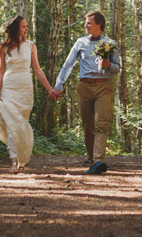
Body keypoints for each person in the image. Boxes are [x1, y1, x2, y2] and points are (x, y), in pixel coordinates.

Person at [52, 10, 121, 174]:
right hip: (84, 87)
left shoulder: (110, 43)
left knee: (101, 124)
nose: (85, 25)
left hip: (103, 86)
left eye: (89, 23)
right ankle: (92, 160)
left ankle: (99, 160)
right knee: (88, 127)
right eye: (86, 23)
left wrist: (108, 65)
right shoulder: (80, 43)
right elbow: (68, 65)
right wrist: (58, 85)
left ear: (99, 25)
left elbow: (117, 68)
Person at [0, 14, 58, 173]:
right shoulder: (3, 48)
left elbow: (37, 70)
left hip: (25, 88)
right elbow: (0, 71)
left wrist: (50, 89)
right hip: (9, 87)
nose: (27, 28)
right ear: (16, 29)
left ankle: (21, 159)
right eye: (24, 26)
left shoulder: (31, 46)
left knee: (21, 124)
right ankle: (14, 161)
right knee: (11, 123)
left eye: (27, 26)